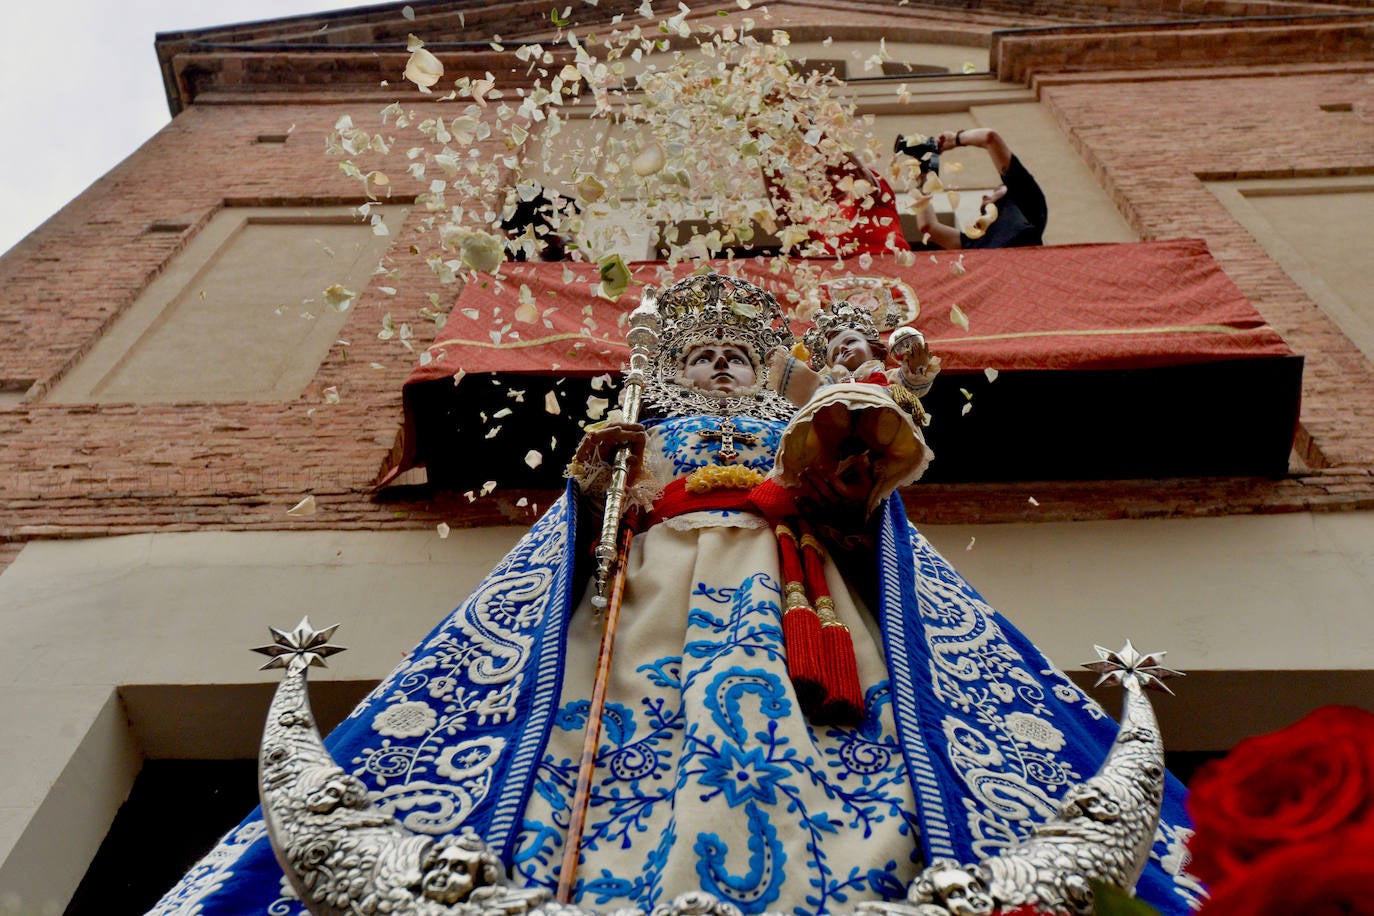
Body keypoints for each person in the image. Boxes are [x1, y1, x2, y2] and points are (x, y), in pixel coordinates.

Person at [152, 274, 1198, 916]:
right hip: (653, 581)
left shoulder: (785, 427)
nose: (720, 362)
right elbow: (598, 526)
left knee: (849, 723)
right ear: (675, 367)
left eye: (739, 354)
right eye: (702, 353)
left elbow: (843, 499)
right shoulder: (660, 434)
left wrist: (847, 454)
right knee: (610, 714)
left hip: (794, 589)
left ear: (761, 369)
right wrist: (600, 478)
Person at [912, 128, 1047, 251]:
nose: (984, 197)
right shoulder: (976, 239)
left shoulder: (1026, 202)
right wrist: (924, 179)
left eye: (996, 191)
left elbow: (990, 137)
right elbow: (928, 227)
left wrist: (955, 139)